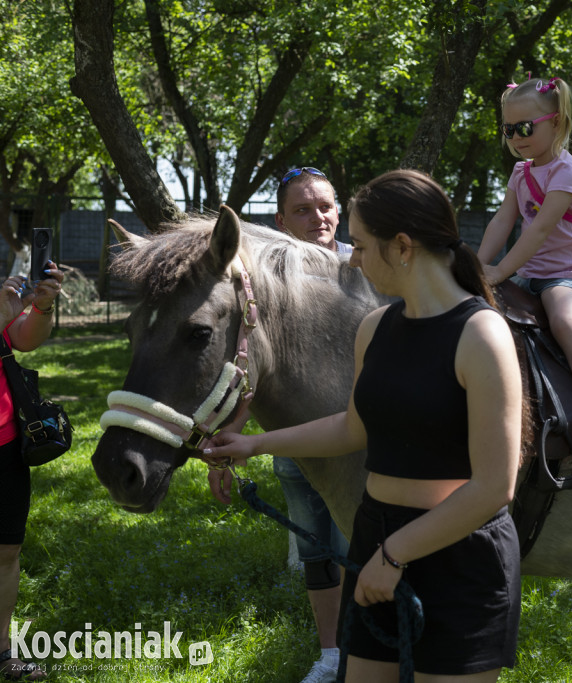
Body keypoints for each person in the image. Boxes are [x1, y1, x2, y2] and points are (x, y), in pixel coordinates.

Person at [203, 169, 522, 682]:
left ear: (401, 247)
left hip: (458, 557)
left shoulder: (482, 334)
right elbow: (354, 426)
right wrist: (255, 444)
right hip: (376, 536)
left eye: (362, 244)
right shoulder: (375, 328)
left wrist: (394, 557)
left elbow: (493, 487)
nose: (350, 256)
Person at [209, 166, 352, 683]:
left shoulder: (365, 273)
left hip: (356, 442)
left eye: (325, 206)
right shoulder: (263, 283)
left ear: (340, 211)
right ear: (281, 219)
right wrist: (228, 440)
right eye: (302, 209)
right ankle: (332, 654)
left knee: (362, 546)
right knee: (317, 549)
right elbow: (251, 363)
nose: (318, 218)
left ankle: (372, 651)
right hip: (293, 442)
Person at [476, 75, 572, 457]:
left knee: (563, 322)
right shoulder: (521, 172)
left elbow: (540, 230)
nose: (515, 137)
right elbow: (501, 221)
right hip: (531, 272)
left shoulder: (565, 171)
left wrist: (500, 271)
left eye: (524, 127)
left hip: (568, 274)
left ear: (556, 122)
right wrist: (477, 266)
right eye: (508, 129)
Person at [1, 261, 65, 682]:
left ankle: (2, 652)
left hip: (5, 443)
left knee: (6, 551)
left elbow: (24, 340)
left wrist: (41, 307)